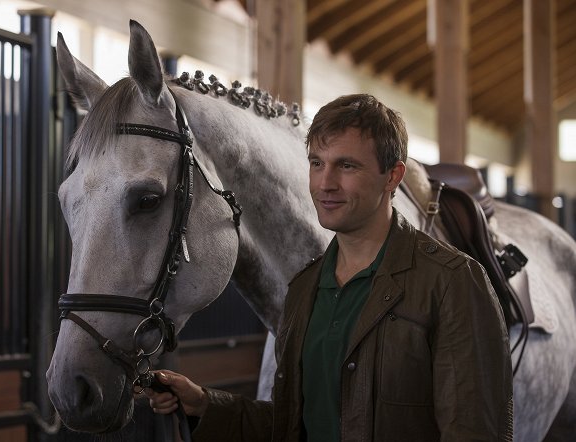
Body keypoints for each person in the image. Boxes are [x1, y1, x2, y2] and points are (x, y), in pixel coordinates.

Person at [145, 94, 514, 441]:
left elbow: (475, 430)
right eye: (317, 163)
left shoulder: (452, 282)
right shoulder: (306, 288)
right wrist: (206, 405)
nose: (325, 183)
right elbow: (293, 424)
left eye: (347, 166)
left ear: (393, 177)